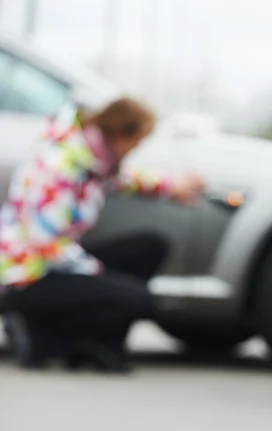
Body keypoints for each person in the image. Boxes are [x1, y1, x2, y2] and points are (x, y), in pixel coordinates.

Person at [0, 97, 205, 373]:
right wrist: (98, 273)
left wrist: (172, 186)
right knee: (137, 298)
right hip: (27, 274)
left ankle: (99, 346)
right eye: (137, 141)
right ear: (120, 133)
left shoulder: (93, 160)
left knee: (151, 246)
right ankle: (40, 335)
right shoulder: (59, 167)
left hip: (56, 262)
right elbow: (44, 242)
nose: (136, 149)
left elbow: (128, 179)